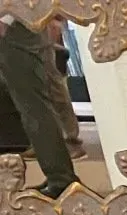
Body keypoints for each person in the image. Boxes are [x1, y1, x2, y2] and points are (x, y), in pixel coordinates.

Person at [0, 15, 79, 200]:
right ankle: (60, 177)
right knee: (34, 105)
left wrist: (5, 18)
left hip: (16, 25)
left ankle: (61, 180)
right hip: (20, 24)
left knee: (33, 108)